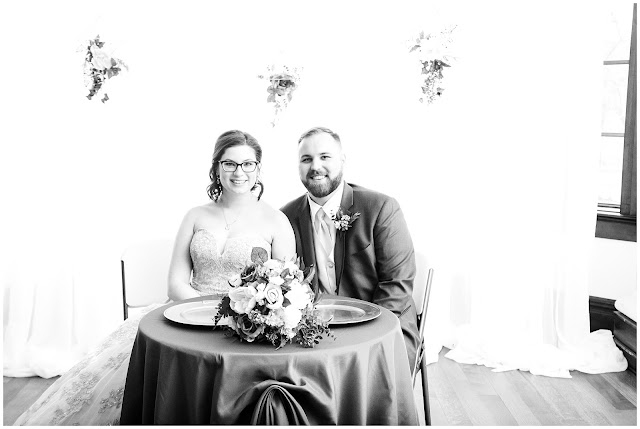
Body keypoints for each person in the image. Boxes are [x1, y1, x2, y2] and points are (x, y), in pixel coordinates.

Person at [14, 130, 296, 426]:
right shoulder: (195, 215)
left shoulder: (276, 222)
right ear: (216, 167)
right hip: (185, 314)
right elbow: (175, 284)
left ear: (258, 169)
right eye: (230, 163)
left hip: (243, 326)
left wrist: (238, 316)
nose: (239, 172)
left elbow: (283, 289)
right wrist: (209, 313)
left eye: (247, 164)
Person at [280, 126, 420, 369]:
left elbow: (397, 284)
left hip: (383, 327)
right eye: (306, 159)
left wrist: (365, 337)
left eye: (325, 157)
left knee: (358, 372)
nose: (315, 166)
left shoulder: (381, 208)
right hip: (314, 334)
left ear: (342, 160)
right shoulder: (286, 218)